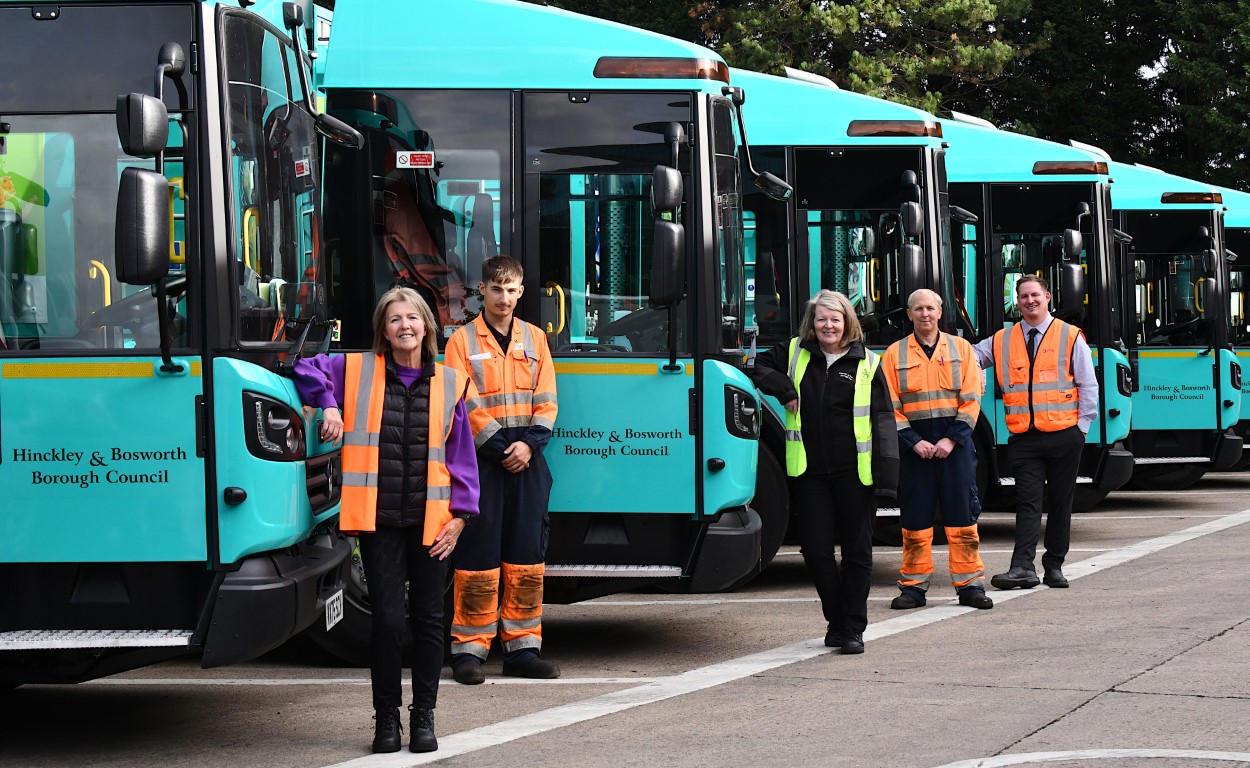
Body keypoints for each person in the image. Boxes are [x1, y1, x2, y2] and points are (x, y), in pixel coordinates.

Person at [292, 287, 479, 754]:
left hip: (433, 524)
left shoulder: (451, 381)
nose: (404, 327)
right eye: (394, 319)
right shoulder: (356, 370)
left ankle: (424, 718)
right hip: (378, 523)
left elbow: (463, 458)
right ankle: (386, 720)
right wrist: (329, 404)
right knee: (389, 623)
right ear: (383, 329)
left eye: (412, 318)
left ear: (426, 327)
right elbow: (302, 366)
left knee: (430, 621)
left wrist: (460, 518)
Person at [751, 289, 898, 654]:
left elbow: (883, 423)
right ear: (811, 325)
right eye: (821, 319)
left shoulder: (868, 362)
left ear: (848, 322)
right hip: (810, 472)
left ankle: (851, 628)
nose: (828, 325)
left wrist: (888, 479)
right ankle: (837, 618)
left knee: (857, 553)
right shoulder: (794, 352)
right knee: (815, 551)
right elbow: (756, 367)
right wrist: (784, 390)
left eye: (835, 319)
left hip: (855, 473)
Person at [443, 255, 560, 683]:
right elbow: (462, 401)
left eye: (511, 290)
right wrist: (500, 447)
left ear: (521, 292)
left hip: (528, 465)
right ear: (482, 292)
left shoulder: (535, 339)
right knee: (478, 556)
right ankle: (469, 652)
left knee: (527, 558)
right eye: (496, 289)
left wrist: (528, 448)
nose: (504, 298)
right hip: (481, 465)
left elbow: (547, 399)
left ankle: (523, 651)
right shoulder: (460, 342)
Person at [972, 274, 1098, 590]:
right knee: (1027, 501)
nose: (1030, 301)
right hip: (1024, 437)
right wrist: (974, 369)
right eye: (1024, 296)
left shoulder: (1069, 336)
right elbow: (971, 355)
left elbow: (1088, 384)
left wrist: (1082, 429)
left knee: (1059, 502)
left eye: (1035, 295)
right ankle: (1022, 567)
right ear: (1017, 302)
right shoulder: (1002, 339)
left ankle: (1054, 566)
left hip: (1065, 435)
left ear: (1047, 297)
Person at [882, 289, 992, 611]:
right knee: (915, 521)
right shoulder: (894, 354)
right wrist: (914, 442)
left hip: (953, 447)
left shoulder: (962, 350)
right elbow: (890, 406)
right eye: (918, 309)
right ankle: (913, 589)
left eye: (930, 308)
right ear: (909, 314)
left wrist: (951, 439)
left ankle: (970, 586)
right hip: (915, 450)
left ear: (940, 311)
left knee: (962, 519)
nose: (925, 314)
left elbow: (972, 399)